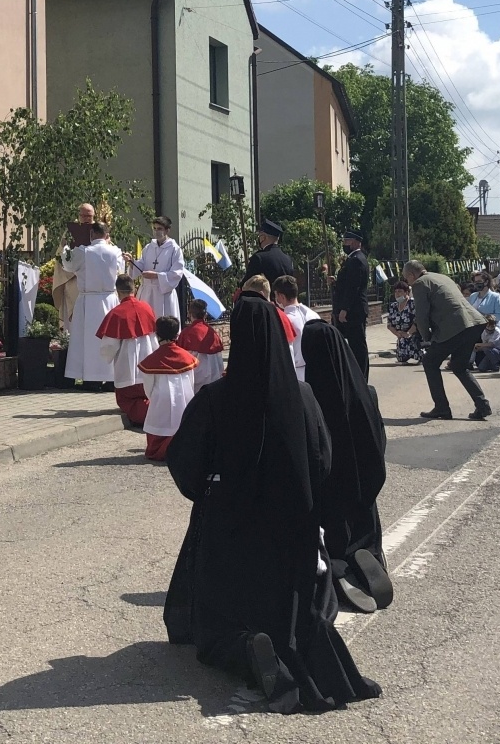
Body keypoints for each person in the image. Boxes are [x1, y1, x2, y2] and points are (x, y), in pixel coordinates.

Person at [163, 292, 382, 714]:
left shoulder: (214, 398)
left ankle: (246, 645)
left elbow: (185, 461)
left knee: (219, 621)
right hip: (291, 529)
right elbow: (323, 459)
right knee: (299, 611)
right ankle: (301, 639)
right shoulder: (303, 396)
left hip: (229, 528)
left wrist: (207, 493)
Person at [300, 320, 390, 614]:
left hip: (333, 493)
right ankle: (369, 552)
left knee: (330, 518)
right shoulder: (365, 391)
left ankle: (339, 564)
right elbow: (379, 438)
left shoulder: (311, 396)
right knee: (363, 515)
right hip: (365, 484)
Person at [405, 260, 492, 422]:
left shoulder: (419, 284)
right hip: (474, 323)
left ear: (411, 275)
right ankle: (482, 405)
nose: (407, 282)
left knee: (430, 362)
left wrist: (426, 338)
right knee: (459, 366)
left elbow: (421, 316)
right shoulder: (442, 277)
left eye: (407, 278)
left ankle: (442, 407)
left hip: (454, 327)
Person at [61, 221, 123, 388]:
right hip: (110, 300)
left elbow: (68, 264)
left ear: (92, 234)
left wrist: (65, 247)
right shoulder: (116, 252)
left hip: (88, 301)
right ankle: (110, 379)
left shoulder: (83, 252)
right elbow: (121, 272)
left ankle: (90, 380)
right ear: (107, 235)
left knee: (87, 340)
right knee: (109, 339)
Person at [98, 274, 157, 427]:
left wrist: (105, 358)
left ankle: (155, 416)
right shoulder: (147, 308)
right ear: (134, 289)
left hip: (127, 376)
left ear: (118, 292)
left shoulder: (116, 313)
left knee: (128, 402)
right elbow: (155, 339)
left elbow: (109, 346)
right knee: (149, 396)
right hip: (149, 372)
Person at [140, 316, 199, 462]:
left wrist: (153, 399)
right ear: (177, 334)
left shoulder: (152, 359)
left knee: (159, 426)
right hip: (184, 397)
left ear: (157, 334)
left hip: (160, 399)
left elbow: (148, 387)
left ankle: (159, 451)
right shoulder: (186, 357)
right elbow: (191, 381)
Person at [51, 203, 97, 351]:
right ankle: (72, 348)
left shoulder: (99, 231)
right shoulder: (70, 232)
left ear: (93, 216)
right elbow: (61, 255)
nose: (86, 218)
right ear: (78, 216)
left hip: (94, 282)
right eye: (83, 215)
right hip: (73, 280)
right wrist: (74, 268)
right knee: (74, 317)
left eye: (89, 216)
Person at [332, 230, 372, 374]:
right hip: (353, 309)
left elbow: (353, 287)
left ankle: (361, 376)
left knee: (357, 345)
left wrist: (345, 309)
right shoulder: (354, 258)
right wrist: (335, 282)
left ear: (354, 242)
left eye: (346, 241)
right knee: (352, 344)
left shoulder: (356, 260)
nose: (344, 244)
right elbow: (347, 282)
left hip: (354, 311)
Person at [135, 215, 186, 322]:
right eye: (154, 228)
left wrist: (156, 276)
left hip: (163, 293)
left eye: (159, 229)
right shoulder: (148, 247)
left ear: (167, 230)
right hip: (147, 292)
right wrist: (131, 263)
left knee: (163, 324)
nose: (156, 231)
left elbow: (177, 273)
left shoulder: (174, 249)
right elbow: (141, 265)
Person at [273, 273, 320, 375]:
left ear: (281, 296)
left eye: (276, 295)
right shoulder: (314, 315)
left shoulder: (284, 319)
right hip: (316, 368)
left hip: (296, 371)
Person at [179, 303, 226, 390]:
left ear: (189, 314)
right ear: (205, 314)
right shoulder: (212, 332)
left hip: (195, 378)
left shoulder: (186, 333)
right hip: (213, 378)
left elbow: (181, 357)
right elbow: (218, 361)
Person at [243, 218, 295, 286]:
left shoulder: (259, 258)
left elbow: (247, 284)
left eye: (259, 236)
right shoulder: (288, 259)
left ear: (263, 237)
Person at [388, 279, 422, 365]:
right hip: (401, 337)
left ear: (406, 292)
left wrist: (408, 333)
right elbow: (389, 324)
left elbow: (418, 321)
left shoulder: (413, 303)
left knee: (418, 353)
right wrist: (397, 333)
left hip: (415, 335)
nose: (397, 294)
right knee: (401, 357)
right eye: (395, 292)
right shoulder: (393, 306)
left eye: (400, 291)